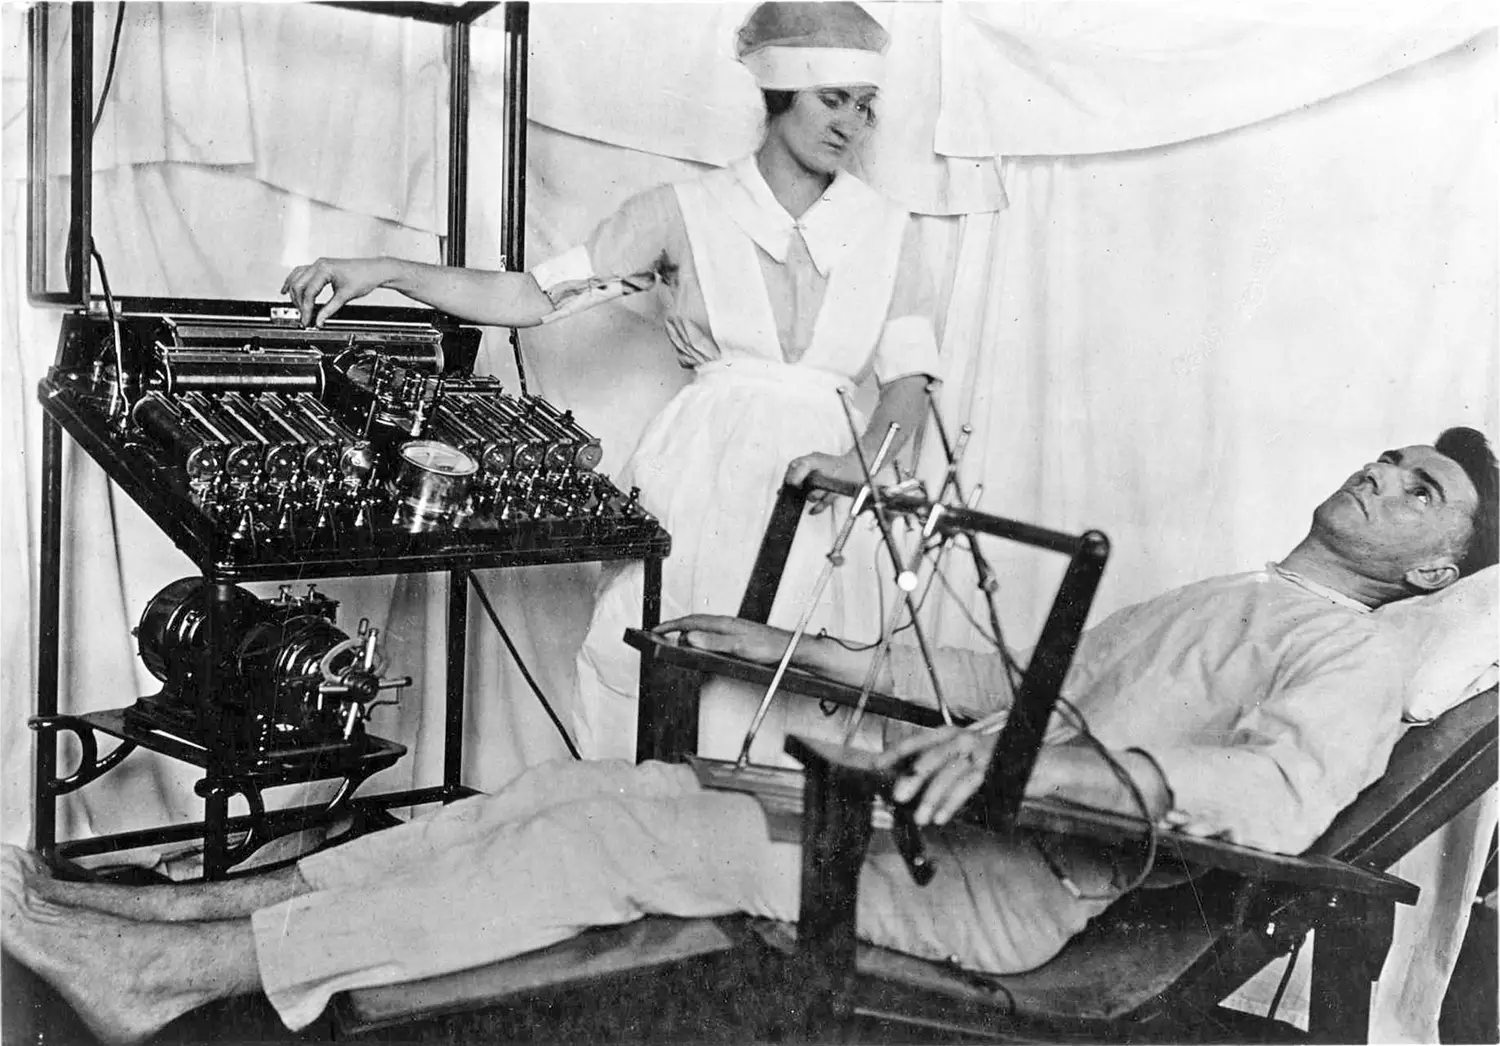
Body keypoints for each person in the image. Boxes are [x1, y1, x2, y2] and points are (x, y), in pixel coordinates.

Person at [4, 428, 1495, 1043]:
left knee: (624, 831)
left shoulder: (1349, 653)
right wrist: (792, 649)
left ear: (1438, 571)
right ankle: (177, 914)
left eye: (1422, 492)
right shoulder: (1235, 590)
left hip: (1009, 892)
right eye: (1389, 460)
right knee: (587, 786)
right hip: (943, 824)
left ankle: (168, 977)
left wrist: (1032, 766)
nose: (1384, 480)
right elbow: (1000, 680)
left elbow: (1272, 793)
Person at [279, 1, 943, 763]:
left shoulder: (891, 230)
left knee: (809, 706)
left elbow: (909, 382)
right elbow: (532, 297)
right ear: (779, 93)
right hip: (704, 478)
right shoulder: (683, 211)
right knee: (666, 689)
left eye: (865, 107)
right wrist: (387, 269)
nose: (851, 124)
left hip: (832, 493)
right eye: (833, 99)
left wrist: (860, 464)